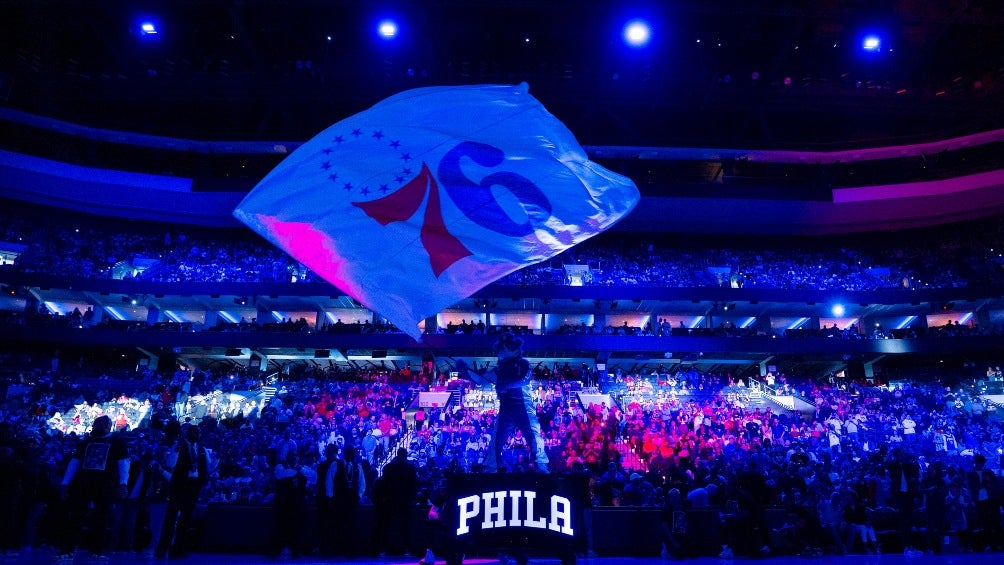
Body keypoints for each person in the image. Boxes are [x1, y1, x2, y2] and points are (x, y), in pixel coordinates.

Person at [455, 332, 549, 473]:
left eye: (505, 348)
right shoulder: (498, 370)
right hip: (506, 409)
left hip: (523, 407)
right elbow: (481, 379)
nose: (501, 351)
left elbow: (525, 379)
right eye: (501, 348)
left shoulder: (523, 364)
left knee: (534, 436)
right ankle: (492, 467)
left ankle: (540, 464)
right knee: (496, 439)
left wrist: (507, 385)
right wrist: (466, 371)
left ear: (515, 349)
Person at [56, 414, 130, 561]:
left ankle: (96, 549)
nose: (96, 427)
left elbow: (123, 463)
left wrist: (123, 483)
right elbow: (75, 462)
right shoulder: (86, 441)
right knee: (75, 516)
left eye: (100, 424)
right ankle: (68, 549)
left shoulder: (117, 442)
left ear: (108, 427)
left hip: (106, 485)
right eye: (96, 424)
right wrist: (65, 483)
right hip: (83, 483)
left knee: (101, 518)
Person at [155, 424, 210, 559]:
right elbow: (171, 464)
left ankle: (178, 549)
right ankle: (162, 549)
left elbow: (206, 466)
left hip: (193, 486)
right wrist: (177, 449)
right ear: (189, 433)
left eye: (199, 433)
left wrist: (202, 482)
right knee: (171, 518)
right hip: (179, 486)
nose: (197, 435)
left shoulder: (201, 449)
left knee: (185, 519)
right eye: (194, 432)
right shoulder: (179, 445)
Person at [374, 447, 418, 557]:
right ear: (405, 455)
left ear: (397, 454)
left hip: (390, 500)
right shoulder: (410, 468)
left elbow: (383, 484)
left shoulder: (388, 467)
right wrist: (412, 498)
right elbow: (414, 485)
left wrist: (383, 497)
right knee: (405, 525)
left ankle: (383, 549)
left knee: (386, 525)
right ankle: (406, 549)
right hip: (404, 501)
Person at [268, 451, 310, 558]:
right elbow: (280, 475)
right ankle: (275, 549)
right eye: (291, 456)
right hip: (283, 502)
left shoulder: (303, 468)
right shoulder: (280, 466)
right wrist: (298, 471)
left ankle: (295, 550)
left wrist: (302, 470)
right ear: (287, 457)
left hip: (297, 503)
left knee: (296, 527)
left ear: (298, 458)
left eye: (295, 456)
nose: (293, 458)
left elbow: (314, 477)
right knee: (279, 526)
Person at [332, 445, 366, 558]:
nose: (353, 454)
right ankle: (338, 548)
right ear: (346, 453)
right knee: (339, 523)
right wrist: (331, 496)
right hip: (339, 498)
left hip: (352, 498)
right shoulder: (336, 464)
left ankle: (351, 549)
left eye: (353, 453)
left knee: (352, 524)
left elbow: (362, 482)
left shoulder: (357, 466)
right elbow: (330, 480)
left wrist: (359, 495)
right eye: (351, 452)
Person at [315, 443, 339, 557]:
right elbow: (319, 481)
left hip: (332, 498)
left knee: (330, 523)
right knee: (324, 523)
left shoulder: (338, 464)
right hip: (324, 498)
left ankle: (328, 547)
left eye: (329, 451)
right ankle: (325, 547)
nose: (327, 453)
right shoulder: (323, 465)